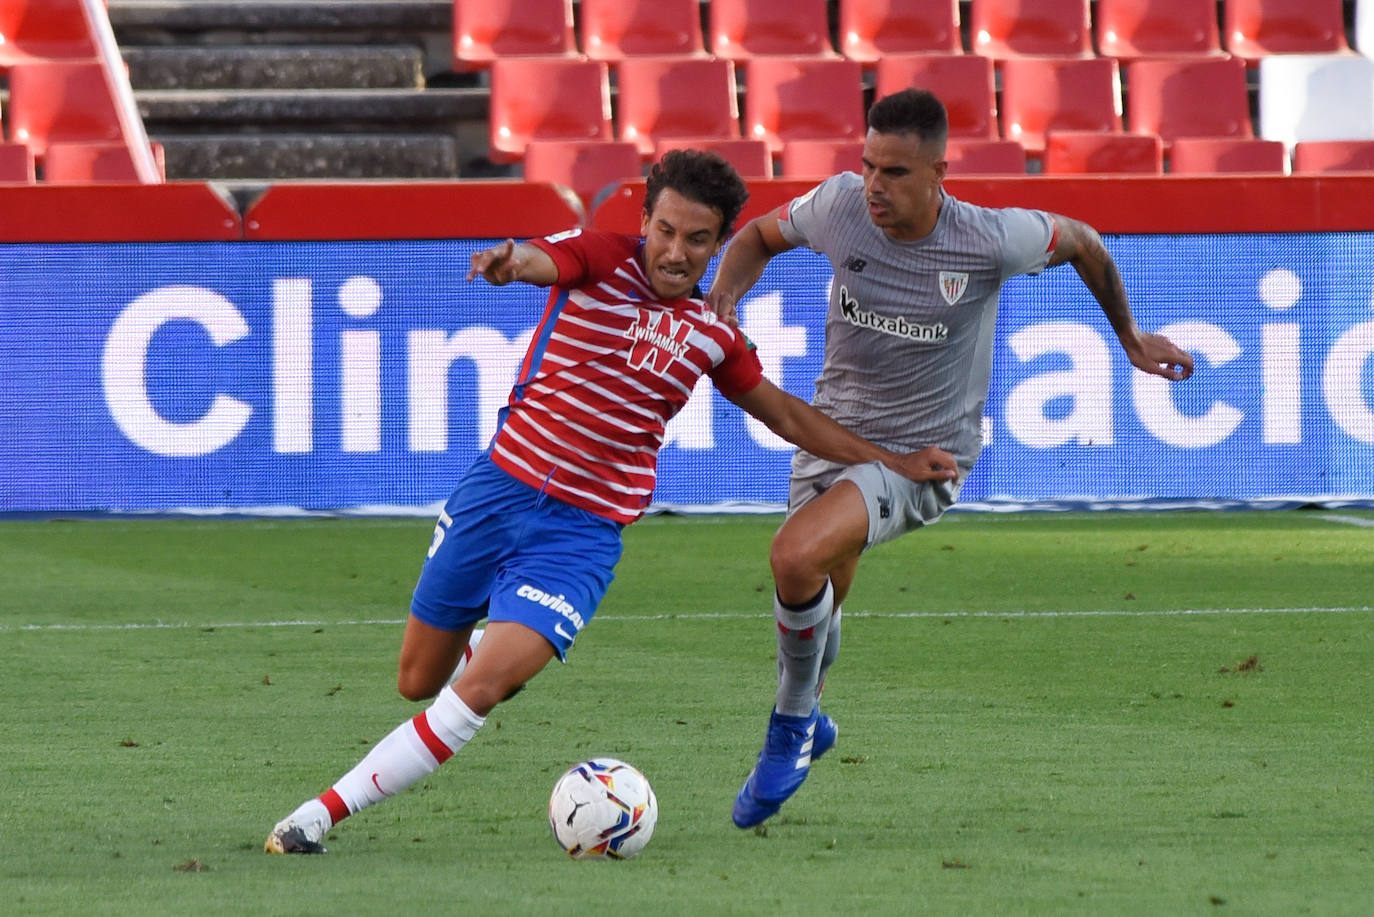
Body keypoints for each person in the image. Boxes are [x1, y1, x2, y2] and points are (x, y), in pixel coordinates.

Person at [264, 149, 961, 854]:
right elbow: (543, 259)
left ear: (720, 244)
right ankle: (491, 637)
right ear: (645, 221)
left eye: (697, 239)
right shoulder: (601, 257)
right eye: (665, 230)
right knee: (418, 680)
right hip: (495, 495)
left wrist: (895, 462)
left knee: (478, 690)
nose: (676, 251)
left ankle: (315, 817)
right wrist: (512, 263)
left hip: (580, 537)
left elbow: (786, 414)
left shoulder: (714, 335)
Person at [706, 89, 1196, 828]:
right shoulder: (839, 206)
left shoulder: (990, 241)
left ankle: (789, 727)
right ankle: (810, 718)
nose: (874, 185)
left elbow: (1085, 242)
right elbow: (755, 238)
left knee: (794, 557)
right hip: (831, 440)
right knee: (818, 593)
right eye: (868, 165)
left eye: (895, 172)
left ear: (939, 172)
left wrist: (1128, 336)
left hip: (922, 461)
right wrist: (723, 298)